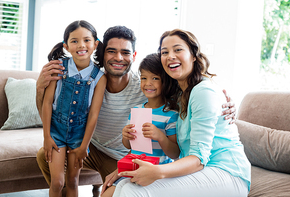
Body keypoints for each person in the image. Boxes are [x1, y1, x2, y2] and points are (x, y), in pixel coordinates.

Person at [35, 25, 237, 196]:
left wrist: (225, 102)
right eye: (112, 51)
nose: (118, 58)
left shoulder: (145, 86)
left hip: (119, 155)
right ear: (102, 53)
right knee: (46, 155)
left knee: (117, 191)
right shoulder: (91, 80)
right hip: (90, 147)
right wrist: (39, 89)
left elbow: (189, 91)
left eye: (125, 52)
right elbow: (52, 112)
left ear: (134, 56)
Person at [113, 29, 251, 197]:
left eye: (178, 49)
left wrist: (158, 171)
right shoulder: (179, 93)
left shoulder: (203, 91)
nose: (170, 56)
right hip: (202, 169)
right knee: (124, 186)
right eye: (165, 52)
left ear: (193, 55)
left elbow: (199, 159)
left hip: (227, 172)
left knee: (132, 191)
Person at [41, 20, 106, 197]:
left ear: (95, 44)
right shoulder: (58, 68)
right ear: (66, 46)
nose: (81, 45)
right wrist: (46, 136)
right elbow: (47, 103)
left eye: (86, 40)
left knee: (72, 181)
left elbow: (93, 114)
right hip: (56, 130)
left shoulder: (99, 77)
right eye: (74, 41)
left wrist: (85, 145)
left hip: (79, 133)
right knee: (57, 182)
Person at [102, 53, 180, 197]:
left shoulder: (170, 115)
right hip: (132, 168)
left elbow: (174, 153)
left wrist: (160, 136)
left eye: (155, 78)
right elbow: (129, 146)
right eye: (144, 78)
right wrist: (125, 135)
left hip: (156, 173)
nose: (148, 83)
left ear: (166, 82)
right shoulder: (137, 110)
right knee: (106, 194)